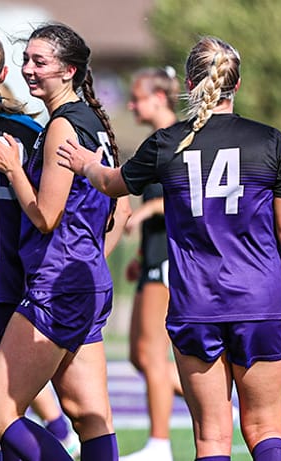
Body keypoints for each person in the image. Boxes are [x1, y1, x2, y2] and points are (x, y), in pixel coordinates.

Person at [56, 36, 281, 461]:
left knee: (212, 439)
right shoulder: (270, 142)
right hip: (259, 302)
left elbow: (110, 183)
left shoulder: (167, 142)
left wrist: (84, 162)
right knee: (265, 428)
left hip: (197, 306)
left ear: (190, 83)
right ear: (238, 84)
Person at [0, 23, 120, 461]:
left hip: (57, 284)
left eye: (41, 62)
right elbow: (120, 209)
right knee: (89, 415)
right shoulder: (95, 121)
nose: (29, 70)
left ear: (69, 70)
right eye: (27, 60)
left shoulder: (62, 126)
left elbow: (46, 216)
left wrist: (12, 168)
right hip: (87, 279)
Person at [117, 66, 182, 461]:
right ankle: (211, 402)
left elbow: (183, 199)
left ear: (159, 98)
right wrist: (141, 256)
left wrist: (141, 215)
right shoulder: (158, 141)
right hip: (153, 257)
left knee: (154, 354)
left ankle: (160, 446)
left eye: (137, 97)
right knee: (139, 356)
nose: (131, 104)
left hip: (172, 259)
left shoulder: (180, 141)